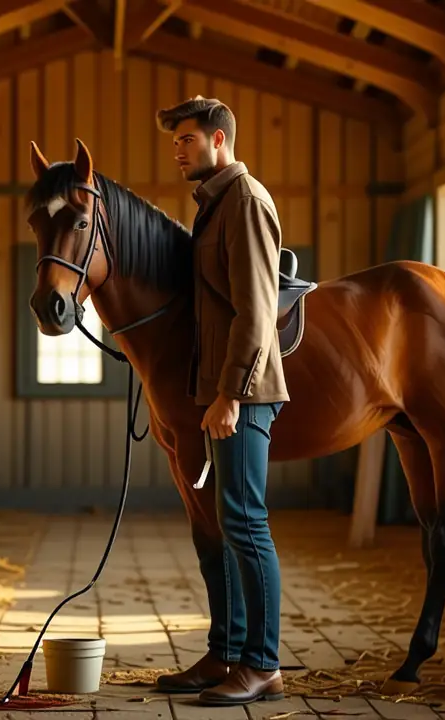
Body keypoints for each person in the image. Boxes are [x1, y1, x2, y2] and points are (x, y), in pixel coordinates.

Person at [152, 96, 289, 706]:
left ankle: (262, 664)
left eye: (186, 138)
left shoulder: (246, 202)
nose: (178, 149)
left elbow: (256, 313)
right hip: (222, 391)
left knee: (245, 522)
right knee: (225, 523)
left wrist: (231, 394)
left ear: (219, 139)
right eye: (175, 141)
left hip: (246, 393)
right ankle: (226, 652)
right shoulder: (215, 204)